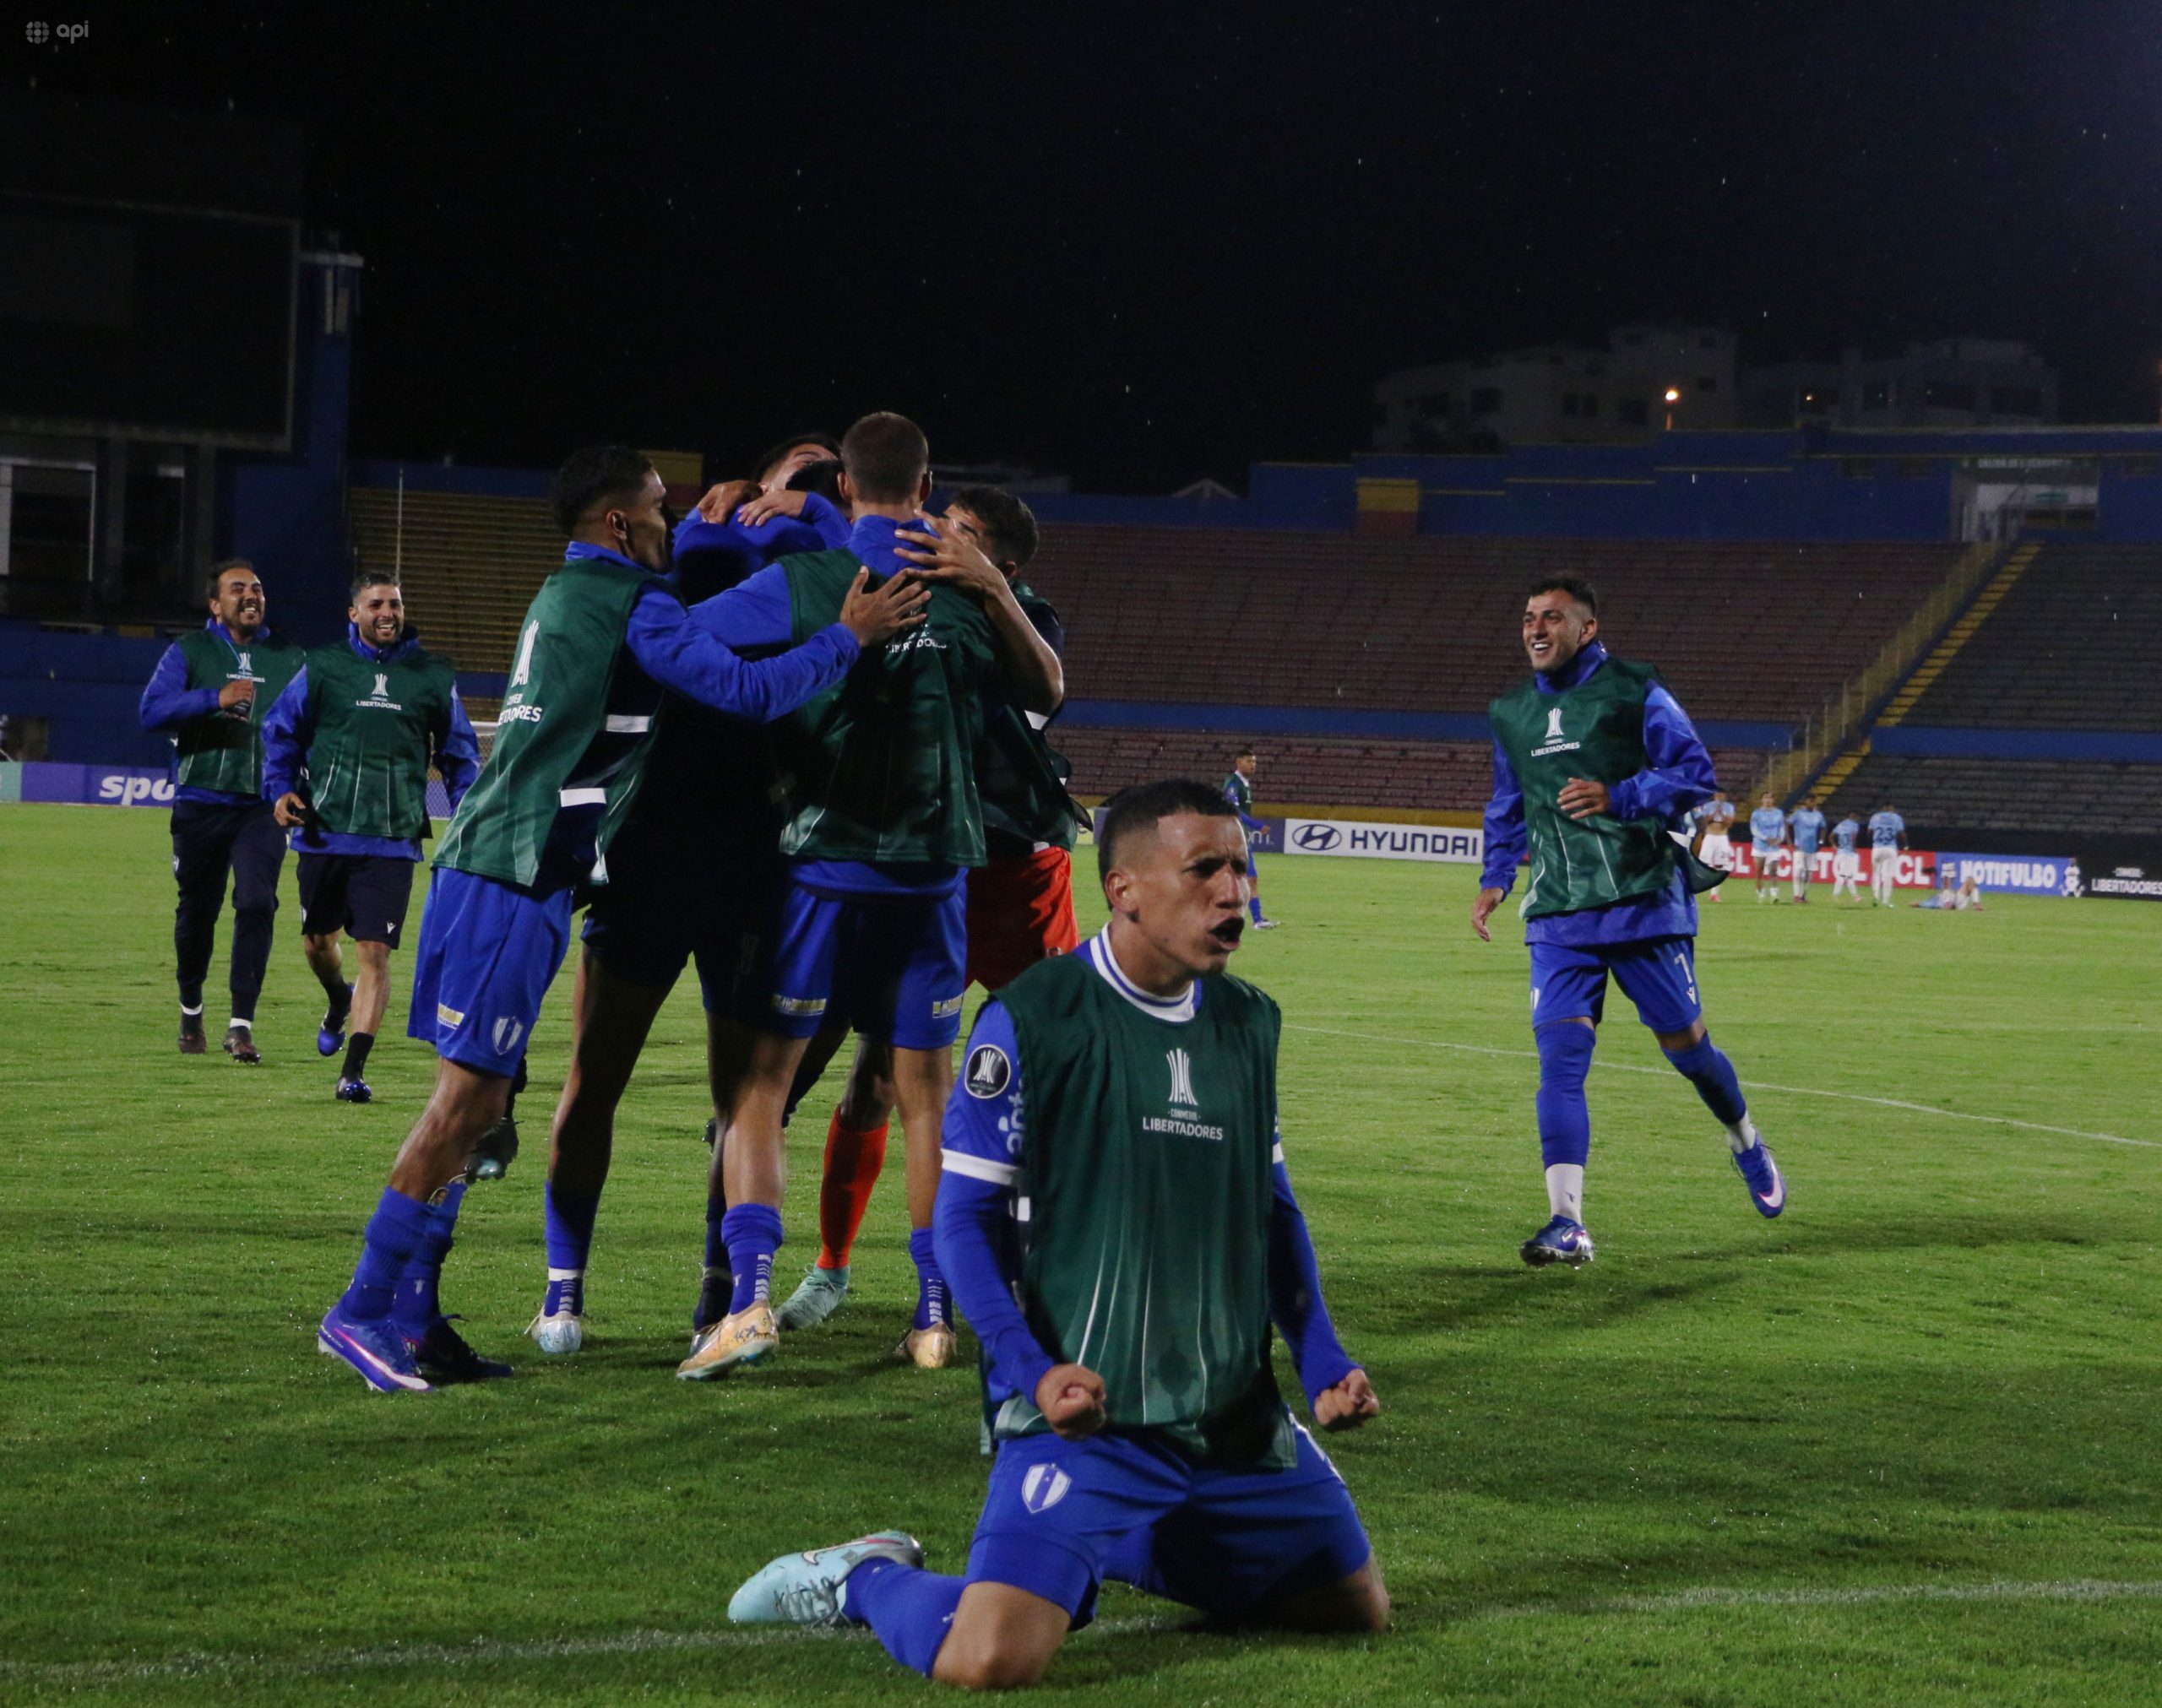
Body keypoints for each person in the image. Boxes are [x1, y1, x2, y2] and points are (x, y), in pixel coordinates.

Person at [727, 779, 1387, 1687]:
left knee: (1351, 1607)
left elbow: (1269, 1212)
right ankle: (865, 1575)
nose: (1234, 892)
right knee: (990, 1658)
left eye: (1240, 866)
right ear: (1124, 889)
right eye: (1204, 870)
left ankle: (1094, 1550)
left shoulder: (1248, 1023)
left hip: (1229, 1409)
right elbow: (962, 1223)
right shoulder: (1036, 1018)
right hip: (1084, 1411)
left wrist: (1320, 1358)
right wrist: (1031, 1371)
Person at [312, 445, 926, 1394]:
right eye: (655, 510)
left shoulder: (563, 592)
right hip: (514, 874)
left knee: (480, 1110)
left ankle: (418, 1313)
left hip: (502, 868)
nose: (670, 526)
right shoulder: (638, 605)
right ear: (617, 525)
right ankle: (361, 1309)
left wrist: (793, 507)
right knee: (460, 1107)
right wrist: (848, 631)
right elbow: (753, 691)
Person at [677, 413, 1062, 1380]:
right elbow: (1046, 692)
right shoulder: (963, 588)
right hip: (934, 883)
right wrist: (992, 589)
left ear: (847, 486)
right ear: (925, 480)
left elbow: (685, 647)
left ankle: (750, 1301)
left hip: (820, 872)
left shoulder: (808, 580)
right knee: (926, 1102)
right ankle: (933, 1316)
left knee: (759, 1090)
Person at [526, 436, 855, 1356]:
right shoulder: (737, 574)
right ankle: (690, 1291)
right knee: (729, 1094)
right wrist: (799, 502)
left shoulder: (689, 574)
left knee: (611, 1083)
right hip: (717, 862)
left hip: (678, 863)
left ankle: (572, 1294)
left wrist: (783, 496)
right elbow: (846, 563)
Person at [774, 485, 1085, 1337]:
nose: (939, 540)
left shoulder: (1026, 619)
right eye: (941, 524)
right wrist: (800, 495)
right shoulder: (900, 595)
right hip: (926, 868)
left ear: (1003, 564)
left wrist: (987, 589)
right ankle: (831, 1270)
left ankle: (1027, 1272)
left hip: (1017, 873)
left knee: (1043, 1085)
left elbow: (1040, 698)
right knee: (879, 1075)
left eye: (964, 538)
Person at [1472, 577, 1785, 1266]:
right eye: (1528, 617)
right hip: (1558, 913)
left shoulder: (1636, 689)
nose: (1535, 628)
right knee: (1560, 1064)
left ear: (1587, 628)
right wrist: (1496, 876)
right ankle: (1567, 1221)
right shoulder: (1512, 713)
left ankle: (1744, 1138)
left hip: (1643, 901)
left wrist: (1621, 794)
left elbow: (1696, 773)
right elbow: (1507, 802)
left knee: (1691, 1054)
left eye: (1552, 617)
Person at [259, 572, 481, 1103]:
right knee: (318, 943)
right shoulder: (325, 667)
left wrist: (469, 811)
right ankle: (339, 1000)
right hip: (324, 832)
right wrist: (280, 790)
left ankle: (353, 1071)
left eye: (396, 603)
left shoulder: (431, 675)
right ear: (354, 614)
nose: (389, 612)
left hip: (393, 837)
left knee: (375, 951)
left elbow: (460, 755)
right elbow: (280, 732)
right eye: (377, 603)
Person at [139, 561, 307, 1061]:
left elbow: (311, 725)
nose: (251, 596)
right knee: (198, 912)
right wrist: (214, 698)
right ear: (216, 605)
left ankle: (241, 1025)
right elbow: (150, 712)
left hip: (262, 807)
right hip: (201, 803)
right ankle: (191, 1010)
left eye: (257, 588)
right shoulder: (190, 651)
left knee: (257, 903)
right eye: (238, 590)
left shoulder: (290, 657)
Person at [1222, 750, 1278, 929]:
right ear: (1239, 762)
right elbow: (1233, 810)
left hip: (1240, 837)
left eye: (1254, 761)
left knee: (1250, 878)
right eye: (1249, 761)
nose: (1253, 764)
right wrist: (1257, 825)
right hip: (1231, 837)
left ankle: (1257, 920)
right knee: (1240, 878)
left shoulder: (1244, 784)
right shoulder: (1233, 783)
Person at [1692, 789, 1735, 902]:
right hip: (1710, 837)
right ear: (1714, 795)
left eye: (1722, 794)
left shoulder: (1729, 807)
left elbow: (1729, 823)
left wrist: (1721, 813)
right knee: (1703, 864)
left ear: (1724, 796)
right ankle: (1696, 891)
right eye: (1718, 794)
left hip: (1722, 838)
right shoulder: (1708, 806)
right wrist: (1715, 812)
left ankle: (1714, 894)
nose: (1719, 797)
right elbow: (1704, 821)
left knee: (1720, 866)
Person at [1785, 795, 1827, 904]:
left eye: (1814, 801)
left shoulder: (1818, 815)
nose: (1812, 803)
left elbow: (1823, 828)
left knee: (1809, 874)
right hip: (1799, 847)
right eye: (1810, 801)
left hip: (1812, 848)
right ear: (1805, 802)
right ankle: (1796, 895)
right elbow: (1787, 823)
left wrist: (1821, 841)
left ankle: (1803, 896)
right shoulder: (1798, 814)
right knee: (1798, 870)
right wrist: (1789, 841)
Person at [1747, 791, 1786, 903]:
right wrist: (1766, 838)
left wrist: (1779, 839)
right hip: (1759, 846)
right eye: (1766, 798)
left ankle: (1774, 895)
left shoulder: (1779, 813)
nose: (1768, 800)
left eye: (1770, 798)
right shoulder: (1756, 814)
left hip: (1774, 847)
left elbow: (1781, 828)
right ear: (1762, 800)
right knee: (1759, 872)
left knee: (1773, 871)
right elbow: (1754, 829)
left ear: (1773, 800)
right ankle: (1761, 895)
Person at [1867, 802, 1907, 907]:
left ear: (1883, 808)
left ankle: (1875, 896)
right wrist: (1906, 845)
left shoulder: (1875, 817)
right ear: (1892, 808)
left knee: (1876, 873)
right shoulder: (1896, 818)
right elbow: (1901, 833)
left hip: (1877, 848)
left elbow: (1869, 832)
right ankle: (1886, 901)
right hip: (1890, 848)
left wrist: (1872, 841)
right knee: (1888, 875)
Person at [1829, 810, 1864, 901]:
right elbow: (1854, 838)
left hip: (1840, 852)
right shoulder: (1854, 825)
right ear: (1855, 816)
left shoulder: (1841, 824)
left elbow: (1831, 836)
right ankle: (1835, 895)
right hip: (1849, 853)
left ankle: (1855, 896)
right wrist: (1854, 849)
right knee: (1844, 875)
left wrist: (1834, 845)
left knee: (1848, 875)